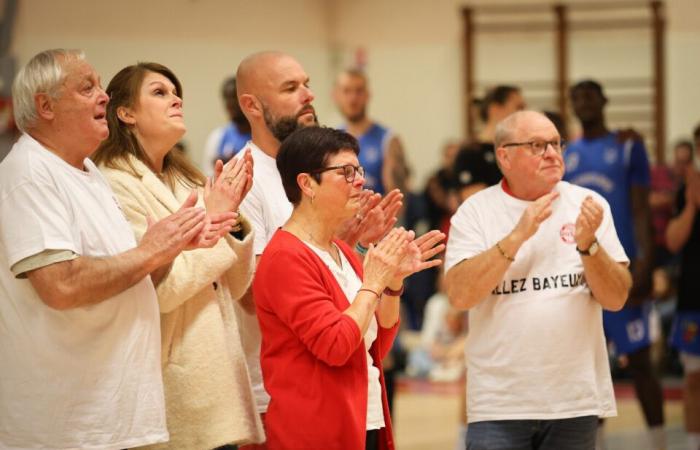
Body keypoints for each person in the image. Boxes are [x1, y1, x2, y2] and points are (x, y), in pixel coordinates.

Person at [0, 49, 219, 449]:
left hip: (116, 415)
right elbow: (60, 286)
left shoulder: (88, 172)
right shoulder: (29, 174)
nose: (103, 96)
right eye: (87, 88)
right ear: (45, 105)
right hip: (65, 426)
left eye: (101, 86)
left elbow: (132, 280)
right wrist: (151, 251)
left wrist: (172, 248)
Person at [92, 62, 264, 449]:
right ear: (126, 112)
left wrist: (232, 220)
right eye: (159, 92)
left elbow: (235, 285)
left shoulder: (187, 178)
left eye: (176, 92)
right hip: (168, 380)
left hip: (216, 375)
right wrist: (217, 218)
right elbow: (160, 290)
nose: (176, 99)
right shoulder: (113, 184)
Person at [235, 51, 403, 437]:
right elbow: (256, 293)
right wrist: (373, 279)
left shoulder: (335, 245)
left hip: (358, 400)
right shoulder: (245, 179)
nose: (308, 95)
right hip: (286, 393)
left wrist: (372, 261)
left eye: (308, 84)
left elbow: (371, 338)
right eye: (291, 87)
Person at [445, 110, 631, 449]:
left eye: (556, 143)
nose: (552, 153)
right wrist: (516, 237)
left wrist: (589, 246)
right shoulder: (476, 213)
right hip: (499, 405)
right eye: (537, 145)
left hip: (573, 403)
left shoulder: (588, 205)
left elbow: (617, 298)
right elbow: (459, 295)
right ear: (504, 155)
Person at [254, 125, 445, 449]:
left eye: (358, 169)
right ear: (307, 184)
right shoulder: (285, 257)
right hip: (315, 431)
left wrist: (392, 284)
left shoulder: (340, 249)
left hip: (363, 417)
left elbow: (374, 346)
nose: (361, 180)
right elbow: (336, 346)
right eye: (345, 172)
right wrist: (372, 284)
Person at [565, 79, 665, 449]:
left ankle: (659, 442)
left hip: (623, 268)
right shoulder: (566, 153)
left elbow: (640, 209)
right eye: (576, 97)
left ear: (604, 100)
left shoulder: (627, 146)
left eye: (590, 95)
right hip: (581, 273)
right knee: (590, 367)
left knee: (639, 361)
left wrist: (644, 264)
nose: (583, 102)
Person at [667, 130, 700, 450]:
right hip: (693, 297)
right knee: (693, 380)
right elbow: (674, 240)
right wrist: (691, 204)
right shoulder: (686, 190)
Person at [333, 68, 409, 195]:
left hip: (379, 213)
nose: (353, 98)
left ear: (368, 95)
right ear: (336, 96)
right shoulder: (331, 140)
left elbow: (396, 199)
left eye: (358, 91)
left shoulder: (388, 139)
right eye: (346, 91)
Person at [202, 76, 251, 174]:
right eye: (226, 98)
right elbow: (208, 173)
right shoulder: (217, 136)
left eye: (234, 97)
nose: (230, 104)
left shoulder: (263, 136)